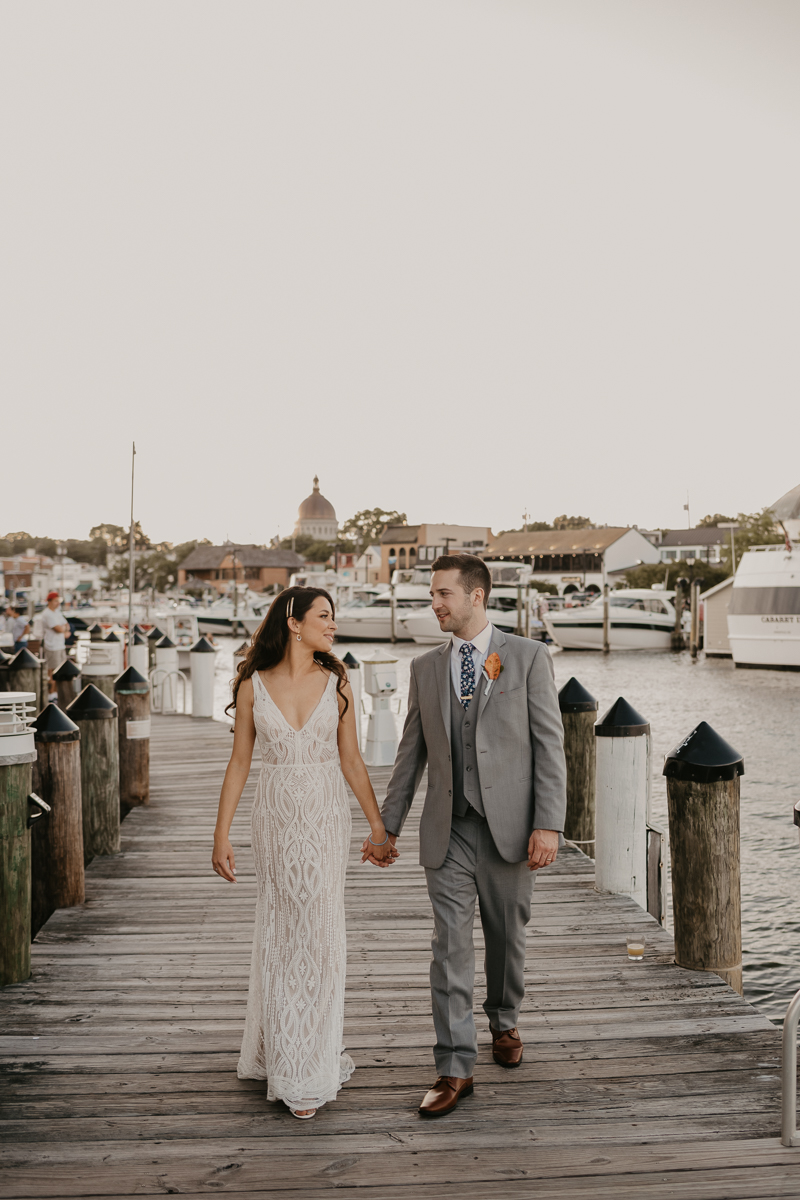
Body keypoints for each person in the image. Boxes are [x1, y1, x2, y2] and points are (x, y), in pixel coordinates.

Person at [362, 553, 566, 1117]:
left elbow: (551, 748)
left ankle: (504, 1021)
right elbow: (411, 754)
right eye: (433, 595)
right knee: (449, 945)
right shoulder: (427, 668)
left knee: (506, 938)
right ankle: (454, 1066)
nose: (435, 605)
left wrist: (548, 823)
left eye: (444, 595)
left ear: (476, 596)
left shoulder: (527, 658)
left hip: (511, 830)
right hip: (447, 830)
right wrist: (386, 826)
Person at [212, 587, 393, 1119]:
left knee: (318, 933)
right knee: (280, 930)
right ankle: (280, 1052)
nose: (333, 625)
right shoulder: (252, 684)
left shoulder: (338, 682)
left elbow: (353, 761)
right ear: (294, 623)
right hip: (273, 818)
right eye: (324, 616)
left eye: (333, 618)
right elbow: (240, 762)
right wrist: (220, 835)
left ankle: (309, 1063)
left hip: (323, 817)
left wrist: (378, 828)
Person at [41, 591, 70, 698]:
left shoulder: (57, 612)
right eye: (55, 601)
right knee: (52, 671)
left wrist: (63, 628)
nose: (58, 603)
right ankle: (51, 694)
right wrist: (63, 629)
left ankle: (56, 693)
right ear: (49, 601)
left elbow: (66, 625)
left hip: (60, 645)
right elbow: (58, 628)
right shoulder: (47, 614)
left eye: (59, 601)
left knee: (60, 670)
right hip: (52, 646)